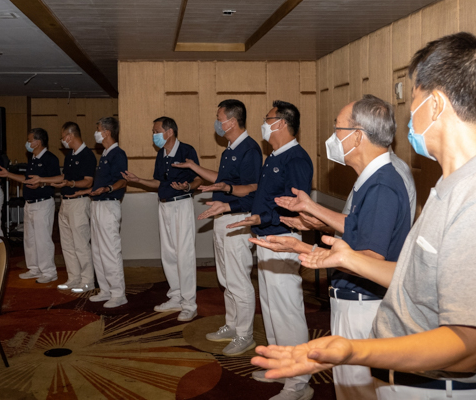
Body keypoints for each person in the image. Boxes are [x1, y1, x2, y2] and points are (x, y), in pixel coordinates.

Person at [252, 33, 476, 400]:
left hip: (442, 389)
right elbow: (416, 278)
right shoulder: (455, 184)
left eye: (414, 99)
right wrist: (344, 256)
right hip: (417, 381)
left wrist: (353, 350)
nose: (408, 114)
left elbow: (466, 346)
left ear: (435, 105)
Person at [253, 95, 413, 400]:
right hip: (355, 299)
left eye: (337, 128)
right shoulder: (372, 179)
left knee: (358, 391)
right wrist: (315, 217)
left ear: (358, 136)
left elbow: (367, 258)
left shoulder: (381, 184)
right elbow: (358, 229)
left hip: (364, 304)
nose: (333, 137)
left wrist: (302, 250)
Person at [226, 101, 314, 400]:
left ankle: (298, 382)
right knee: (273, 311)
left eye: (268, 118)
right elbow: (266, 200)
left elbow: (297, 210)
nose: (264, 123)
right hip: (266, 241)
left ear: (281, 123)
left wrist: (264, 218)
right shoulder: (273, 156)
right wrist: (250, 215)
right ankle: (280, 368)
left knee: (287, 312)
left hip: (284, 242)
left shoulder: (296, 159)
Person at [172, 99, 262, 356]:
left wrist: (230, 208)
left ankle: (245, 334)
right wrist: (193, 167)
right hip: (221, 217)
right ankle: (233, 325)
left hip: (238, 219)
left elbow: (252, 189)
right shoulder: (230, 149)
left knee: (238, 280)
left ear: (232, 121)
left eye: (219, 117)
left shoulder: (250, 150)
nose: (217, 122)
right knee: (225, 278)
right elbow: (223, 182)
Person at [122, 116, 202, 321]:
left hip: (181, 204)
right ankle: (175, 295)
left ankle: (189, 303)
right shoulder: (161, 155)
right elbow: (158, 182)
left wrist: (187, 187)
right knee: (168, 254)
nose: (154, 135)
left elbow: (198, 178)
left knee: (184, 254)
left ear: (169, 132)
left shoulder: (186, 151)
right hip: (164, 205)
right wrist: (138, 180)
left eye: (156, 131)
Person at [24, 122, 96, 293]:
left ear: (70, 136)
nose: (62, 140)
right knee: (67, 244)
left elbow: (88, 181)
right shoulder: (70, 155)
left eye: (63, 137)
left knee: (81, 243)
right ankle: (74, 278)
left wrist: (70, 183)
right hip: (65, 202)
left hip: (79, 202)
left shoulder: (87, 155)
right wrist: (42, 180)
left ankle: (88, 280)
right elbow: (63, 176)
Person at [69, 117, 128, 307]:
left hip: (108, 205)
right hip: (97, 204)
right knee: (98, 250)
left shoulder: (117, 154)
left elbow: (122, 181)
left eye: (98, 129)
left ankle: (118, 293)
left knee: (110, 250)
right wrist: (88, 191)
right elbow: (100, 183)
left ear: (107, 133)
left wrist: (108, 189)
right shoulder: (105, 154)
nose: (96, 133)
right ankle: (106, 289)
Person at [0, 128, 60, 284]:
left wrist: (41, 182)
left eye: (29, 140)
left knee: (43, 240)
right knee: (29, 239)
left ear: (38, 142)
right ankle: (34, 268)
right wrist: (8, 174)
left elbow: (57, 179)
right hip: (29, 204)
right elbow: (26, 179)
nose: (28, 143)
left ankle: (49, 271)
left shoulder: (50, 158)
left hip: (43, 203)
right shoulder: (33, 159)